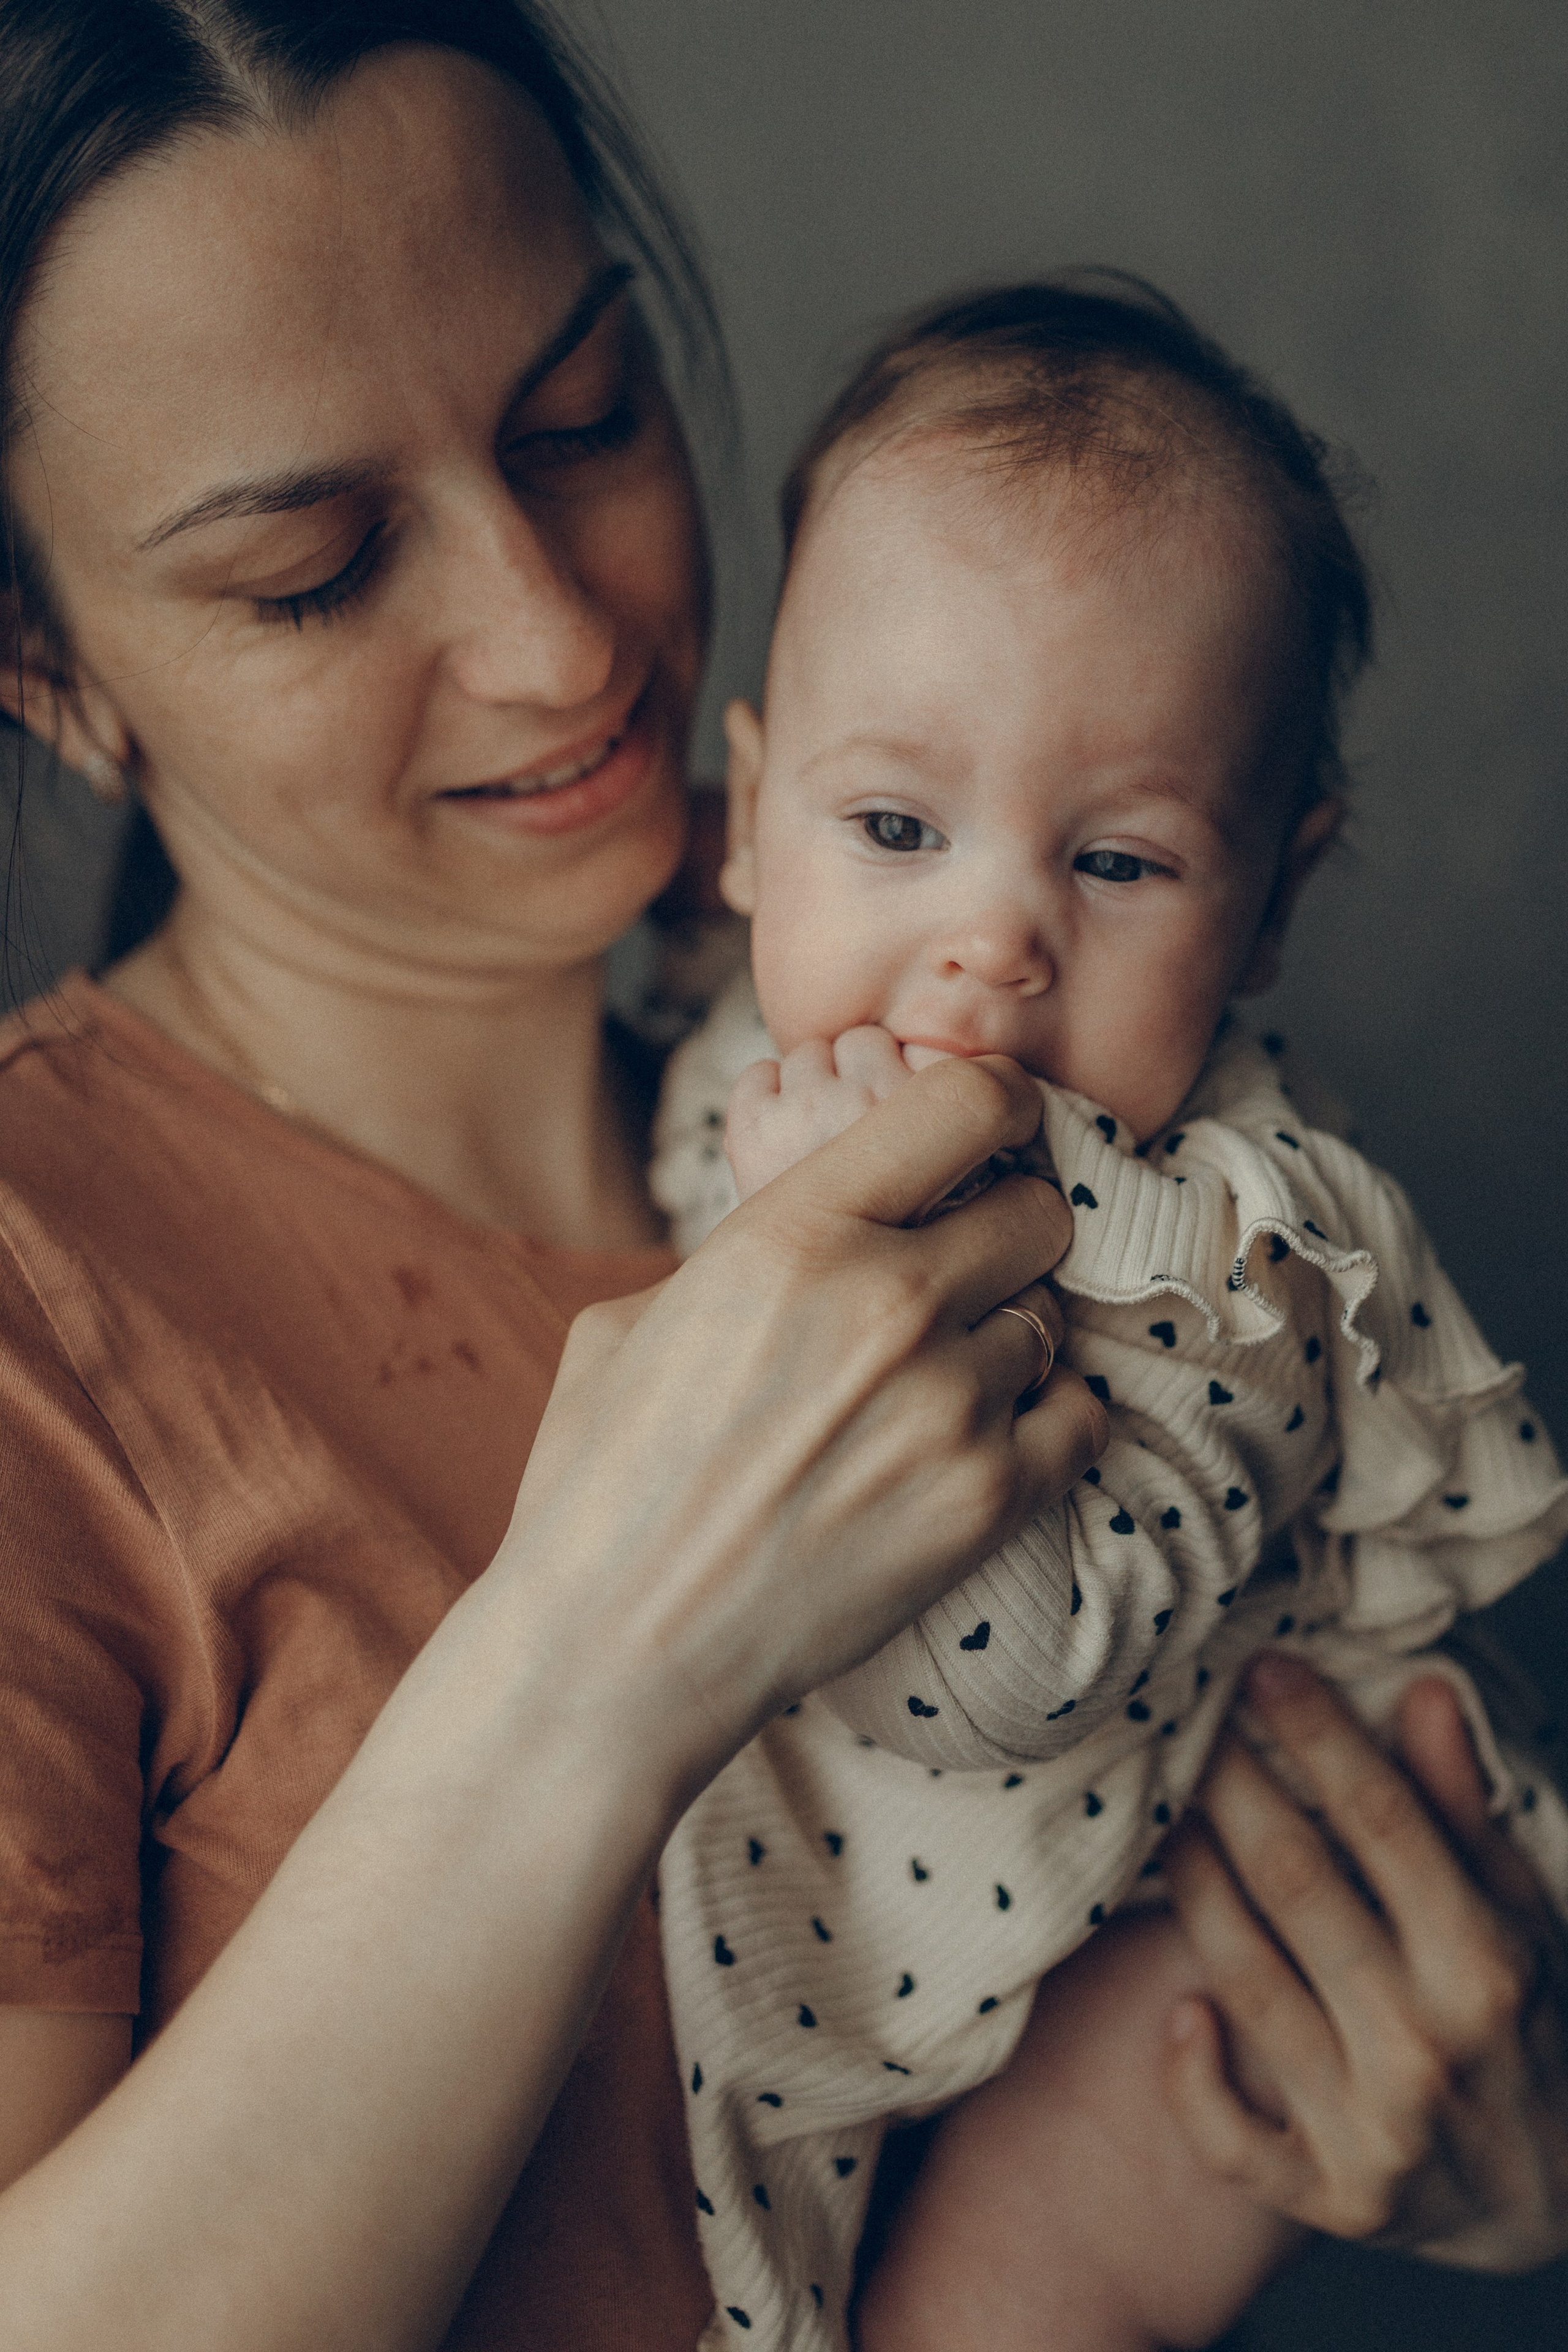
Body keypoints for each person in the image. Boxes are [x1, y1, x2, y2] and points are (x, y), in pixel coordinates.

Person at [0, 10, 1561, 2350]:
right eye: (316, 567)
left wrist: (1490, 2140)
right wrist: (595, 1662)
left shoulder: (1047, 1111)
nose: (555, 636)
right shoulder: (45, 1317)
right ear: (46, 663)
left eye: (583, 420)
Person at [647, 281, 1568, 2348]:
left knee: (1037, 2275)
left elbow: (1032, 1673)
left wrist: (831, 1289)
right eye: (893, 829)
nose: (985, 948)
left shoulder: (1232, 1266)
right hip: (887, 1893)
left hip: (1178, 1901)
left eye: (1122, 863)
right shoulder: (728, 1049)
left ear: (1272, 900)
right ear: (746, 816)